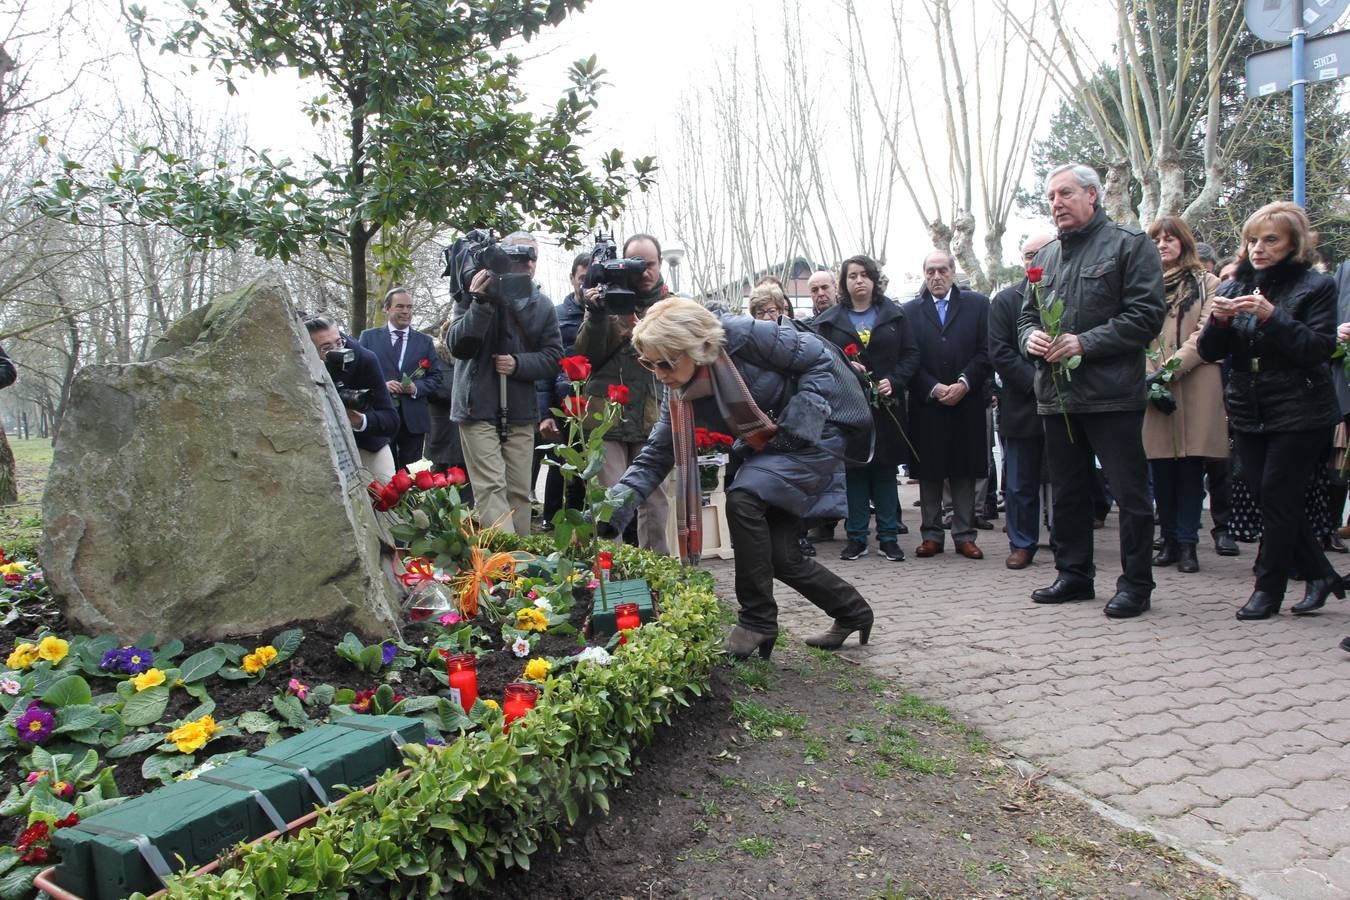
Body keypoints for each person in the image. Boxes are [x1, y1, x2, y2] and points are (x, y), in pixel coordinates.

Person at [603, 298, 875, 659]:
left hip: (819, 429)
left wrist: (803, 416)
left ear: (698, 347)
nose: (659, 373)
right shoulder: (679, 394)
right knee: (779, 554)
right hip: (771, 444)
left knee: (744, 497)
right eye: (648, 363)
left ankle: (757, 621)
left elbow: (819, 359)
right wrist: (613, 507)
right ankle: (853, 612)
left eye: (666, 362)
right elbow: (655, 455)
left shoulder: (744, 335)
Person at [1019, 162, 1166, 619]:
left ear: (1093, 195)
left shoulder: (1130, 245)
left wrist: (1086, 342)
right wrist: (1031, 340)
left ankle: (1136, 584)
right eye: (1050, 198)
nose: (1056, 204)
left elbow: (1146, 316)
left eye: (1065, 194)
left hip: (1112, 394)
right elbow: (1026, 318)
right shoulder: (1043, 259)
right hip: (1057, 396)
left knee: (1129, 493)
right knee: (1068, 492)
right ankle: (1075, 575)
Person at [1196, 201, 1343, 620]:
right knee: (1265, 494)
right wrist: (1220, 323)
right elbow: (1209, 351)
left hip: (1300, 404)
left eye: (1270, 240)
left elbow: (1319, 347)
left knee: (1279, 494)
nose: (1258, 248)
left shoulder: (1316, 286)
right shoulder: (1231, 285)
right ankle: (1319, 573)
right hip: (1248, 403)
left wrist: (1272, 316)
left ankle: (1268, 588)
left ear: (1294, 244)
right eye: (1253, 239)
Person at [447, 231, 563, 536]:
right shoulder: (472, 293)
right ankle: (506, 567)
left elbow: (554, 357)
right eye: (517, 256)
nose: (525, 263)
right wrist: (480, 304)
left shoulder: (543, 305)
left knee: (519, 492)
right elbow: (459, 347)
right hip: (477, 406)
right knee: (491, 488)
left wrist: (518, 364)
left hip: (521, 410)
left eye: (532, 257)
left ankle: (520, 566)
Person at [812, 255, 920, 562]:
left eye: (864, 275)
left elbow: (911, 356)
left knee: (885, 473)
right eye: (852, 276)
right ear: (844, 283)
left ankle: (888, 538)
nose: (858, 281)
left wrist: (894, 381)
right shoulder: (829, 321)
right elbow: (821, 361)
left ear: (874, 279)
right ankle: (856, 538)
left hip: (887, 409)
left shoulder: (894, 315)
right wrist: (846, 367)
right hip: (848, 410)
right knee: (854, 474)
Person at [574, 234, 672, 555]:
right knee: (608, 498)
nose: (644, 272)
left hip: (653, 416)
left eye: (650, 264)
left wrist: (647, 332)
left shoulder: (673, 306)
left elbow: (685, 355)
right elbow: (586, 356)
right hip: (607, 418)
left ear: (660, 264)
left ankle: (659, 571)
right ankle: (610, 572)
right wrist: (596, 314)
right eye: (637, 264)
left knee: (655, 500)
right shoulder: (605, 303)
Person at [1143, 216, 1226, 574]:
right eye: (1157, 239)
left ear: (1184, 242)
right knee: (1160, 466)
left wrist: (1171, 369)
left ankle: (1189, 542)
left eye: (1170, 238)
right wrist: (1151, 375)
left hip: (1195, 381)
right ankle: (1170, 541)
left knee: (1191, 466)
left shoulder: (1208, 283)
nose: (1163, 244)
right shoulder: (1142, 285)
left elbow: (1207, 332)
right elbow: (1135, 332)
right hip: (1152, 384)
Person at [903, 250, 991, 560]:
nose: (936, 277)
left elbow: (986, 351)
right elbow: (908, 358)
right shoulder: (910, 311)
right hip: (928, 405)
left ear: (953, 272)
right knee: (929, 472)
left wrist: (965, 383)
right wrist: (933, 387)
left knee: (963, 470)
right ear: (924, 275)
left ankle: (964, 535)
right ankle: (931, 535)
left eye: (942, 270)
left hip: (966, 402)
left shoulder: (978, 305)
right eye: (930, 271)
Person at [989, 233, 1054, 569]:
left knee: (1067, 478)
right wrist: (1038, 382)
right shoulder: (1006, 300)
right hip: (1022, 404)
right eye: (1029, 254)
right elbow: (1000, 352)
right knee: (1020, 482)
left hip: (1066, 404)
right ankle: (1022, 543)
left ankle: (1066, 539)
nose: (1034, 260)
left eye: (1041, 253)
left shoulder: (1069, 291)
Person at [357, 287, 443, 469]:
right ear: (387, 308)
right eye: (400, 307)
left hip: (413, 421)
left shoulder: (425, 341)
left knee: (411, 478)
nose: (406, 312)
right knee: (382, 475)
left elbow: (436, 377)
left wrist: (415, 387)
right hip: (380, 418)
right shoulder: (368, 338)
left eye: (410, 307)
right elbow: (357, 375)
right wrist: (381, 386)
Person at [306, 315, 400, 481]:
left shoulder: (364, 359)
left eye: (339, 342)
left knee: (386, 491)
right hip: (317, 446)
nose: (339, 351)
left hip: (367, 445)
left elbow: (391, 420)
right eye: (326, 348)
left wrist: (359, 420)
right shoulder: (300, 364)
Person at [539, 253, 590, 524]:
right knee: (561, 463)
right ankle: (553, 519)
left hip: (596, 404)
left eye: (591, 279)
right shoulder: (557, 316)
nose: (586, 284)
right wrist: (545, 412)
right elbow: (546, 368)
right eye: (582, 278)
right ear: (572, 279)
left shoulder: (611, 312)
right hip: (564, 404)